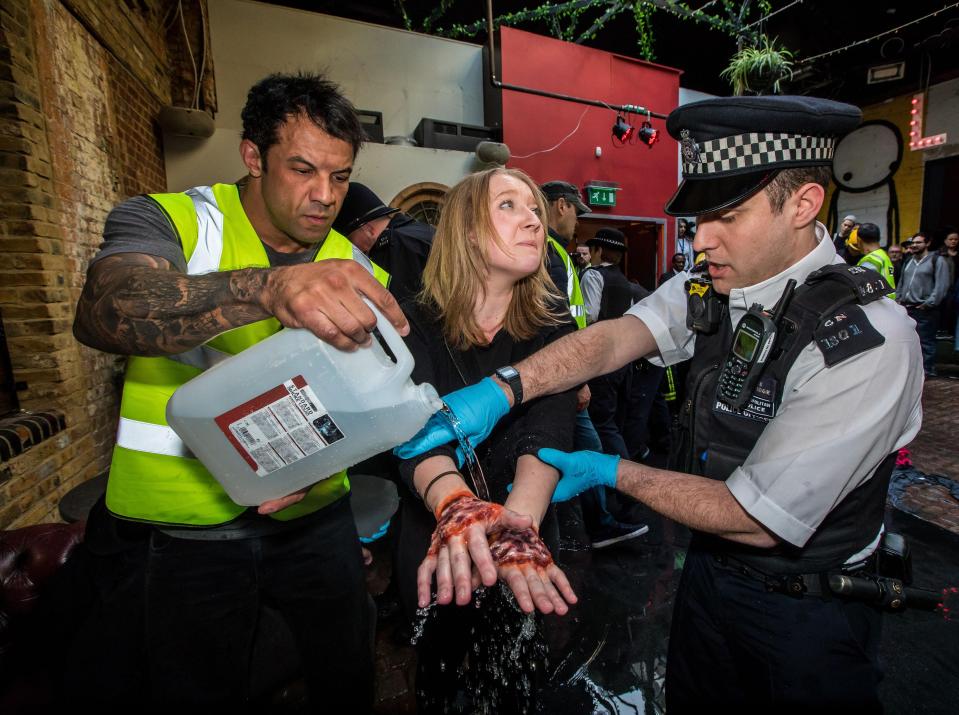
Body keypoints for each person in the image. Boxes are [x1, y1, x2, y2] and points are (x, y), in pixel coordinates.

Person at [398, 95, 923, 711]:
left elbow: (757, 518)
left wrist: (612, 470)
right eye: (700, 217)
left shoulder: (867, 343)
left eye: (727, 215)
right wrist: (506, 387)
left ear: (804, 205)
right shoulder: (716, 282)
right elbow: (616, 338)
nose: (702, 239)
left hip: (806, 607)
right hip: (705, 576)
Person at [68, 72, 405, 710]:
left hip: (314, 519)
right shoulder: (175, 221)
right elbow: (104, 309)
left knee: (348, 676)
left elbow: (358, 401)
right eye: (303, 169)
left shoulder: (353, 264)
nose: (324, 196)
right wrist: (263, 289)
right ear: (253, 156)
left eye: (340, 176)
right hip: (184, 525)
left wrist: (323, 457)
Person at [394, 167, 578, 713]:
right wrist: (457, 507)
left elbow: (548, 430)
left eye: (536, 211)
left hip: (529, 523)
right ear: (467, 231)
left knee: (518, 678)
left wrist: (518, 525)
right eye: (509, 205)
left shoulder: (552, 325)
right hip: (437, 528)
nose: (532, 220)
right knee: (438, 675)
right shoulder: (410, 321)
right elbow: (413, 436)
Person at [332, 181, 435, 304]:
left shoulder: (394, 247)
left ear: (368, 230)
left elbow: (405, 311)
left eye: (350, 240)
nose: (355, 248)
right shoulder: (419, 231)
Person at [898, 231, 951, 377]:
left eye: (918, 242)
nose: (914, 245)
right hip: (907, 307)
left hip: (925, 309)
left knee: (926, 342)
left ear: (927, 243)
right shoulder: (909, 261)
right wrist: (899, 298)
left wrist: (928, 304)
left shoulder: (937, 260)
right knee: (908, 340)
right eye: (913, 243)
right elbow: (902, 282)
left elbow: (942, 285)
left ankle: (927, 370)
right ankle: (912, 370)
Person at [856, 222, 896, 299]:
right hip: (889, 302)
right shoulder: (883, 255)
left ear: (859, 240)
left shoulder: (870, 260)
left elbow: (864, 288)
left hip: (878, 303)